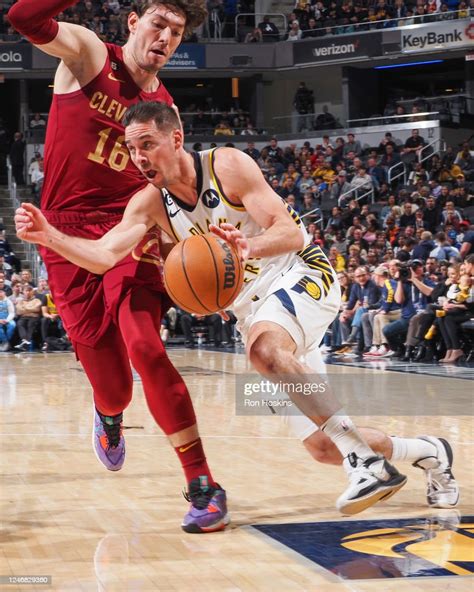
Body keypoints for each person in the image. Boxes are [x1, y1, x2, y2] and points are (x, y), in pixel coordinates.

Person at [16, 101, 459, 513]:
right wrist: (49, 237)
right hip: (255, 311)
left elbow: (290, 231)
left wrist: (248, 248)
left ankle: (368, 463)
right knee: (324, 446)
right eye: (132, 149)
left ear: (175, 138)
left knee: (265, 353)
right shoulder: (149, 204)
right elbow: (105, 255)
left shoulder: (226, 164)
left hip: (300, 274)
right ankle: (428, 451)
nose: (139, 158)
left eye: (147, 144)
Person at [8, 0, 228, 534]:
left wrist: (199, 241)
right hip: (66, 232)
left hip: (130, 230)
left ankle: (203, 485)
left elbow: (172, 186)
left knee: (147, 346)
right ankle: (108, 416)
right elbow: (23, 19)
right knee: (114, 387)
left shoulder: (166, 106)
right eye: (159, 24)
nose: (166, 38)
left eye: (176, 32)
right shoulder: (88, 56)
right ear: (133, 22)